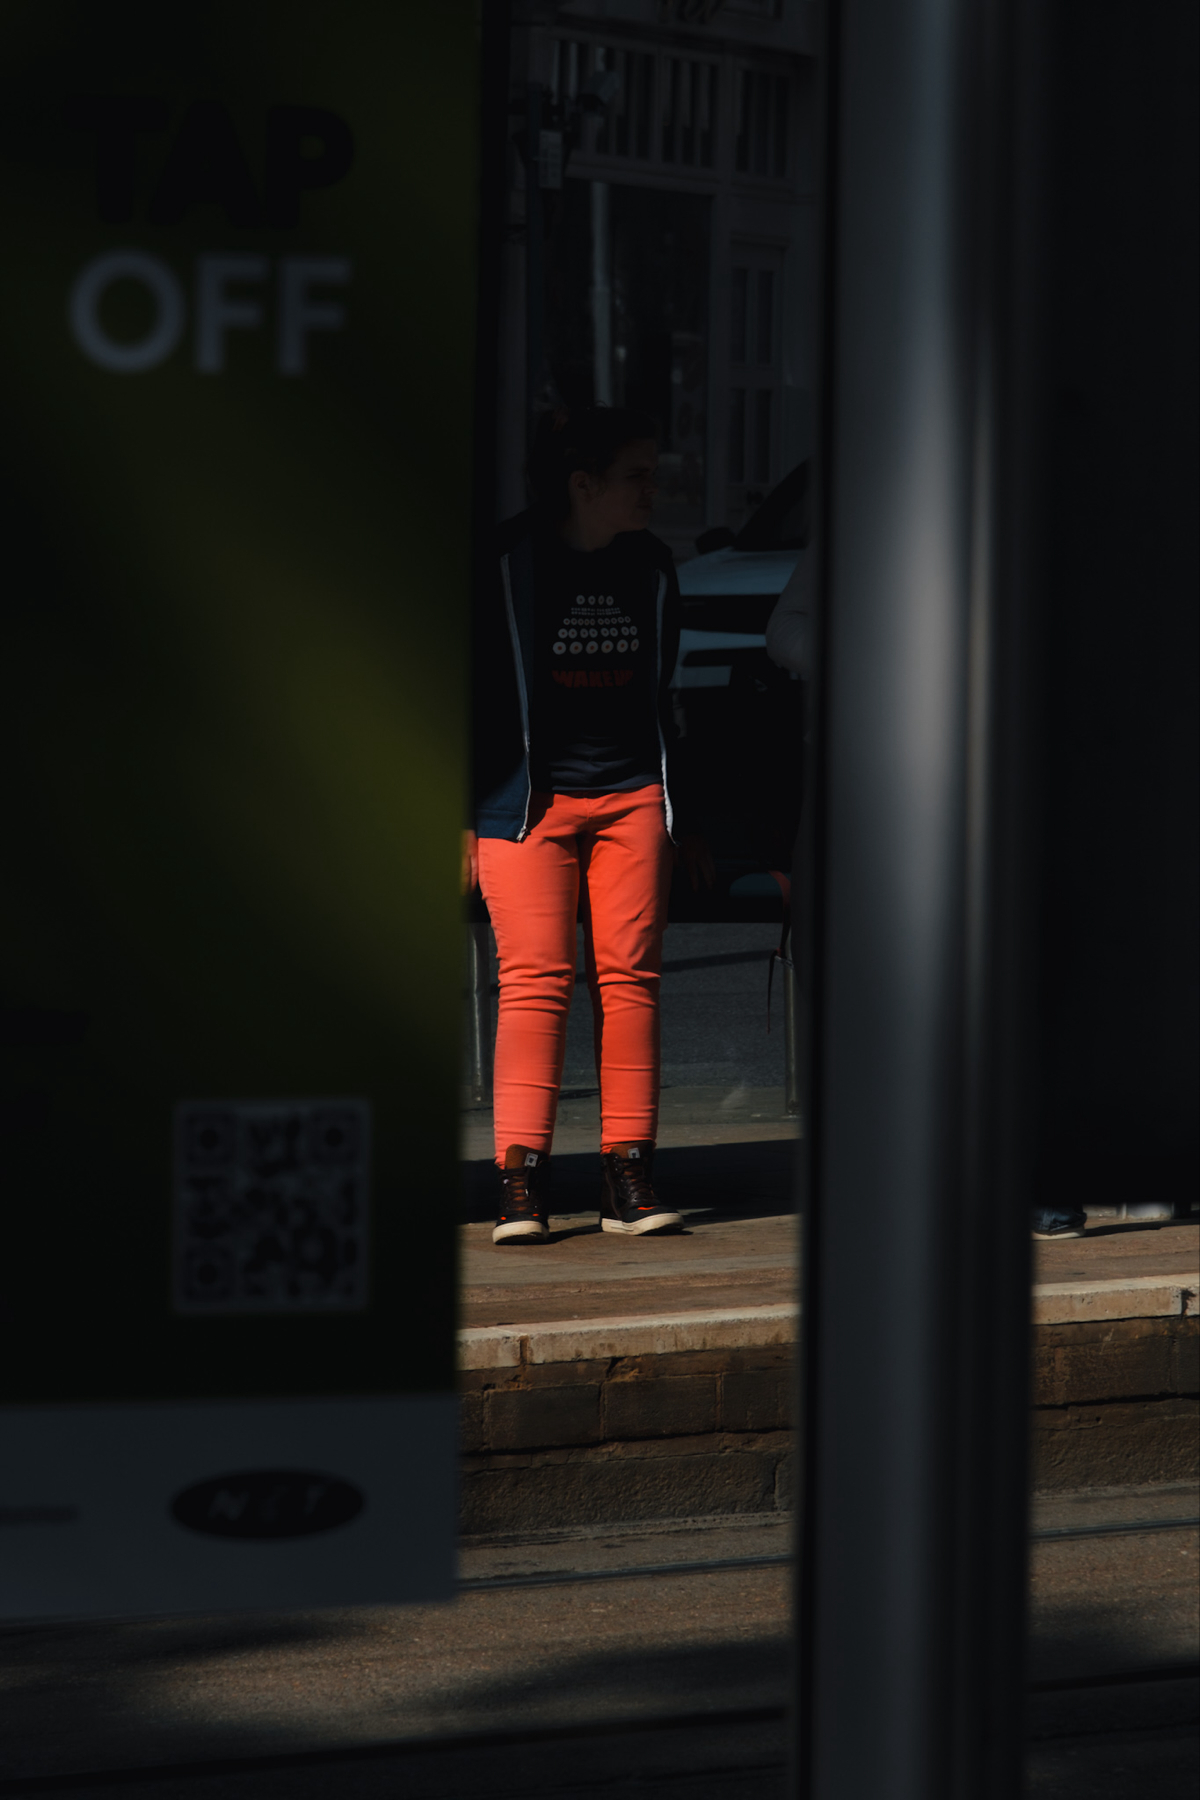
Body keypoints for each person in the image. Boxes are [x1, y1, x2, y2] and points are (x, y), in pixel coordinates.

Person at [464, 407, 713, 1246]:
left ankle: (628, 1177)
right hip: (527, 804)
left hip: (634, 796)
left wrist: (687, 816)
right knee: (534, 980)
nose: (655, 489)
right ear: (584, 484)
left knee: (631, 979)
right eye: (637, 475)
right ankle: (520, 1181)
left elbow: (665, 698)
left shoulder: (652, 565)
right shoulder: (505, 563)